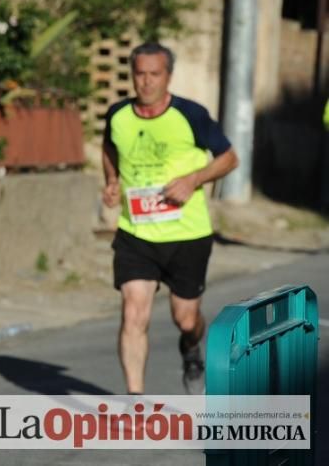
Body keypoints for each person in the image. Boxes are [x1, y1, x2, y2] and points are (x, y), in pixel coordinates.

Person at [101, 41, 238, 395]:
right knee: (134, 312)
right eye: (139, 74)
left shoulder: (191, 115)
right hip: (136, 233)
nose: (146, 82)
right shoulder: (118, 115)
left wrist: (193, 180)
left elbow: (229, 159)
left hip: (187, 234)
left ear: (168, 76)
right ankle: (136, 400)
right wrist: (112, 181)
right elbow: (109, 148)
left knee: (186, 318)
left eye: (154, 75)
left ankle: (192, 349)